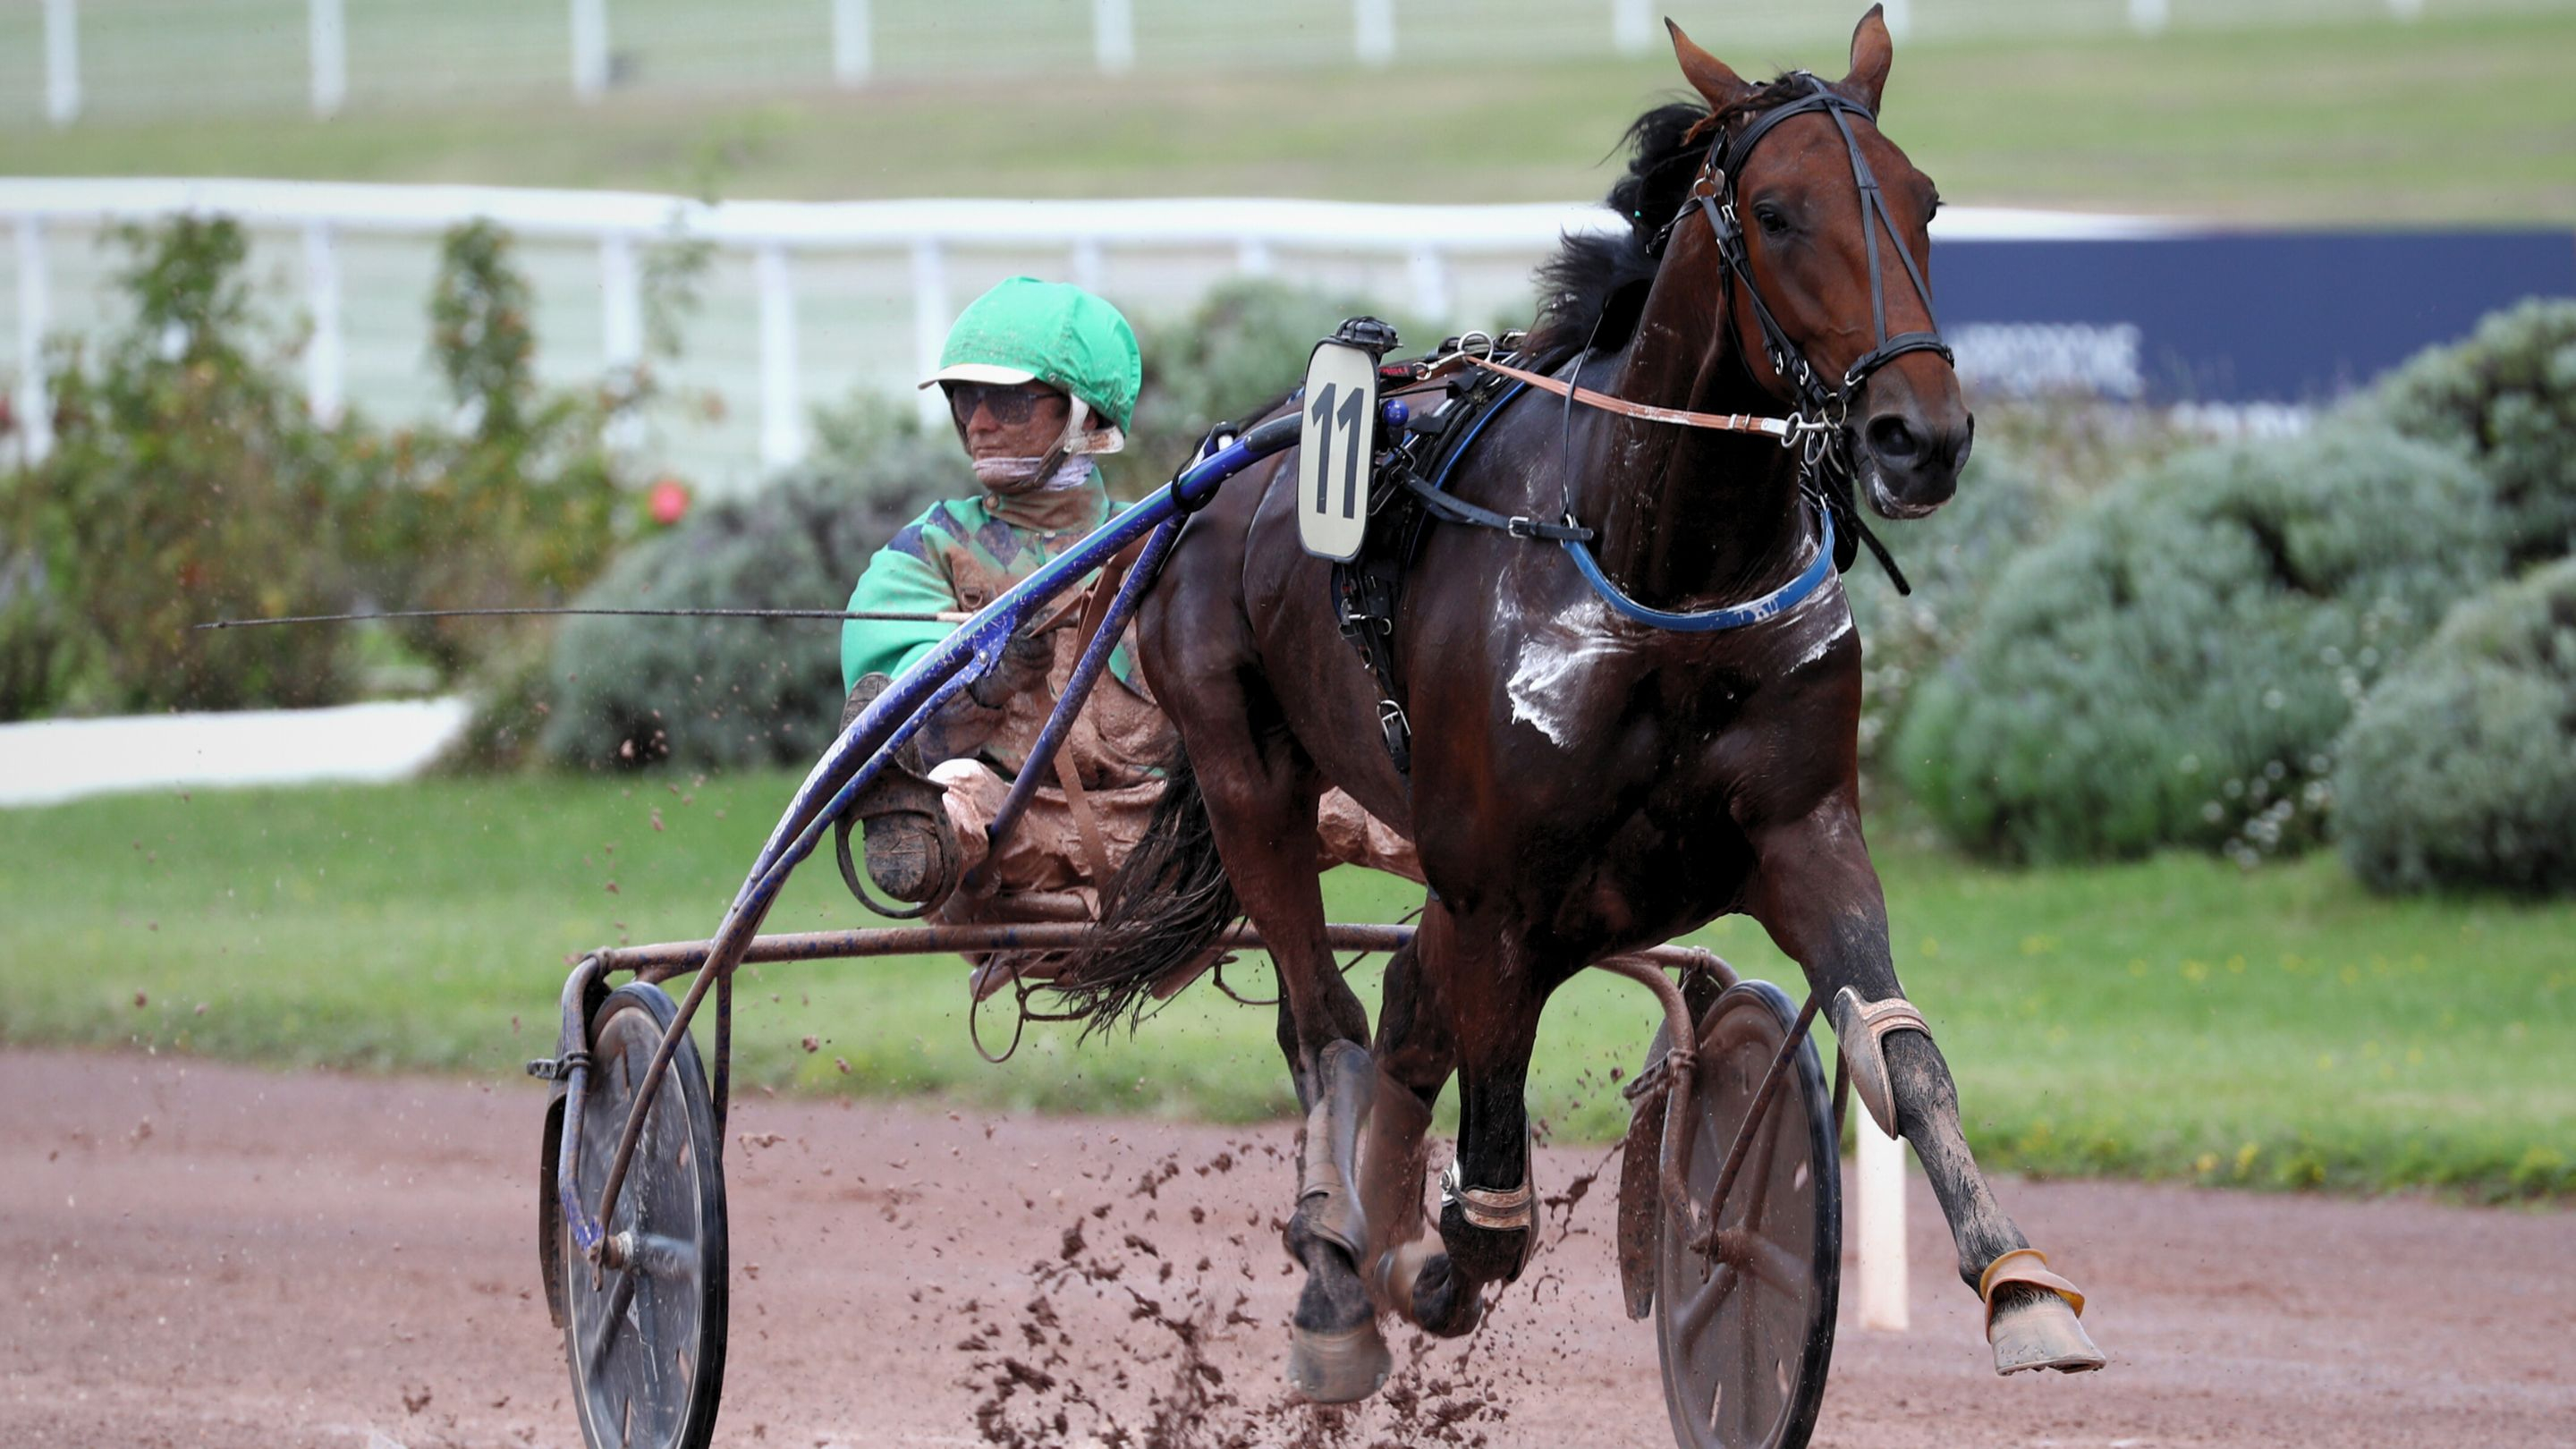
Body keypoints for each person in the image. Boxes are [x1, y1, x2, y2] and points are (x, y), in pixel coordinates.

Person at [838, 277, 1415, 943]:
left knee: (1350, 791)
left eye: (1008, 402)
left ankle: (1508, 866)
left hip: (1198, 826)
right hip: (1014, 825)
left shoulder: (1168, 541)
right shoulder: (927, 551)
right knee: (952, 785)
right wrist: (989, 681)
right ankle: (914, 837)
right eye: (965, 399)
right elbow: (893, 699)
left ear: (1087, 415)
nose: (978, 422)